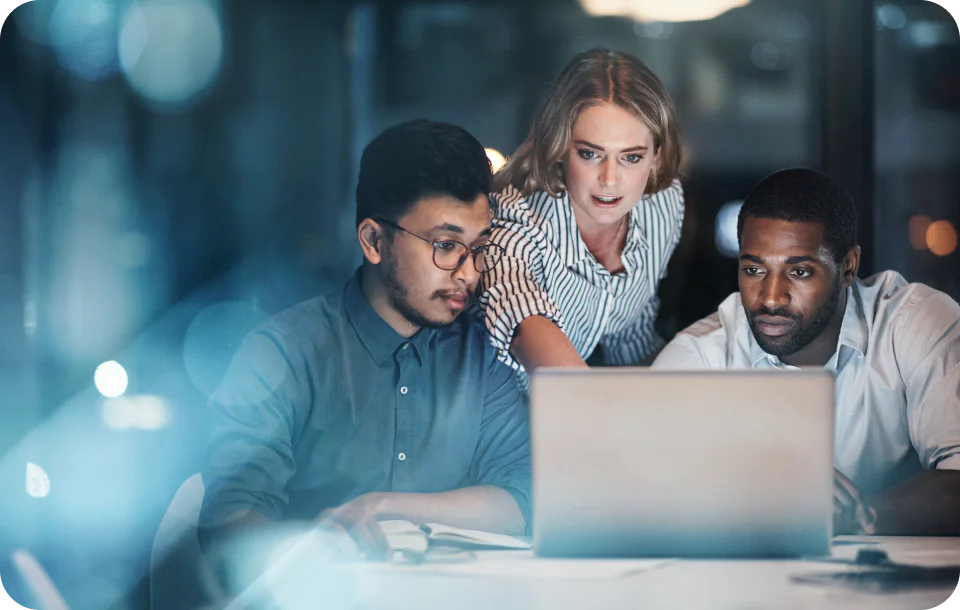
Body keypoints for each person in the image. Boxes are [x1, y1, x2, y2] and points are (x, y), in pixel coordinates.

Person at [199, 120, 531, 562]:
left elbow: (522, 497)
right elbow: (230, 522)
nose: (469, 273)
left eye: (478, 248)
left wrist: (384, 509)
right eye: (446, 245)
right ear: (374, 241)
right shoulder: (282, 354)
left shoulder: (484, 354)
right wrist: (316, 548)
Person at [653, 168, 960, 535]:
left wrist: (842, 518)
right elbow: (640, 494)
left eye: (798, 272)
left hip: (908, 589)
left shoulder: (915, 324)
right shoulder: (700, 357)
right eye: (754, 269)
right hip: (749, 589)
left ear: (847, 268)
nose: (770, 297)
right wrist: (761, 493)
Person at [477, 48, 685, 391]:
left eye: (631, 157)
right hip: (493, 421)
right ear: (560, 147)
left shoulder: (662, 204)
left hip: (577, 413)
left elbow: (630, 337)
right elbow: (523, 318)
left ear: (657, 158)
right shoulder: (517, 221)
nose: (609, 178)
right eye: (590, 154)